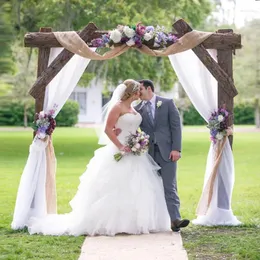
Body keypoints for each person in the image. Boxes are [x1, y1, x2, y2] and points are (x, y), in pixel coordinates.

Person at [27, 79, 171, 236]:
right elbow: (108, 129)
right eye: (138, 90)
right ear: (131, 91)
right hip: (119, 150)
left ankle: (135, 222)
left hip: (135, 152)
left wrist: (139, 141)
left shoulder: (134, 108)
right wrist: (121, 145)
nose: (140, 92)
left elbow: (131, 127)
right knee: (115, 187)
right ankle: (111, 223)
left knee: (140, 187)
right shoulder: (117, 107)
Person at [123, 79, 189, 232]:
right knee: (150, 188)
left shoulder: (167, 103)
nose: (138, 93)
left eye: (140, 89)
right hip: (147, 155)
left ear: (149, 89)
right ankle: (151, 221)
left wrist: (176, 149)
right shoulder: (137, 109)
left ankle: (175, 219)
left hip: (168, 153)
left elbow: (176, 127)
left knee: (169, 186)